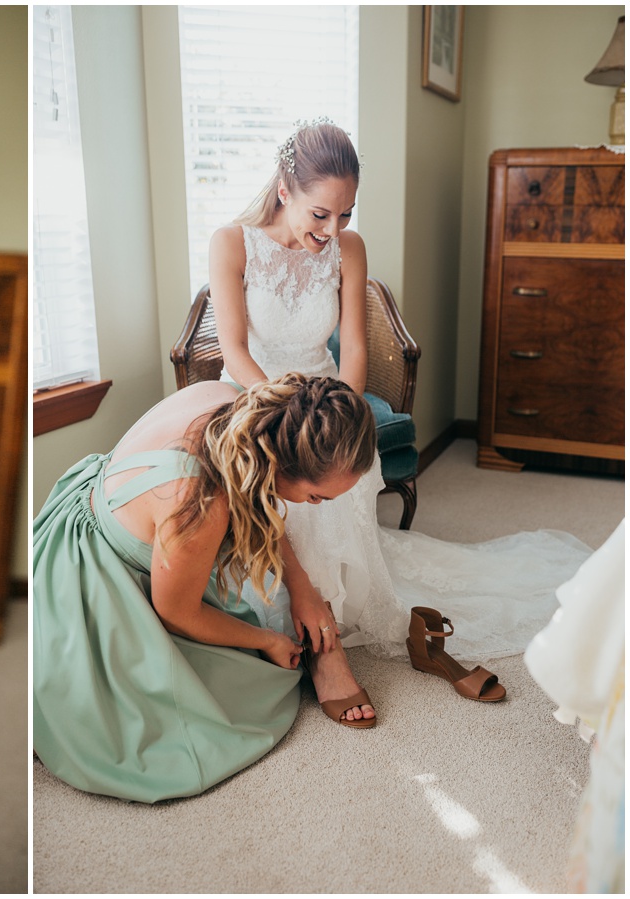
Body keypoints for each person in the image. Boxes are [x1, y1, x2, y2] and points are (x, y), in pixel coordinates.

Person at [207, 118, 590, 675]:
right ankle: (297, 617)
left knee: (336, 463)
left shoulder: (348, 249)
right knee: (275, 467)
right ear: (285, 190)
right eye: (321, 214)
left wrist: (338, 416)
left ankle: (331, 616)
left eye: (345, 215)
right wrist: (286, 412)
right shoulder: (231, 242)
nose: (333, 229)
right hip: (253, 396)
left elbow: (356, 349)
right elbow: (234, 349)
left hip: (328, 395)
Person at [33, 373, 377, 803]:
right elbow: (177, 613)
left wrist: (300, 583)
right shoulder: (201, 501)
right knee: (217, 713)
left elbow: (260, 499)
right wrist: (266, 640)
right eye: (316, 498)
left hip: (83, 508)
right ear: (279, 464)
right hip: (90, 580)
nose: (316, 508)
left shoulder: (236, 405)